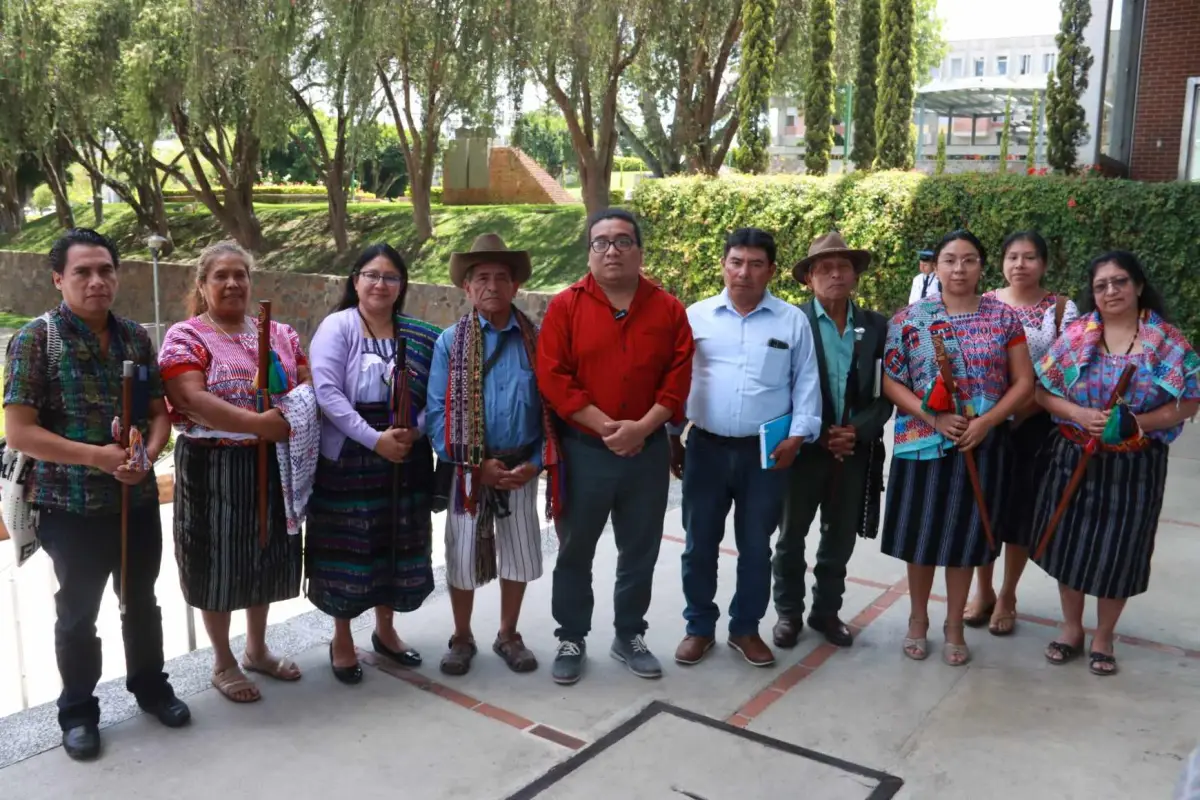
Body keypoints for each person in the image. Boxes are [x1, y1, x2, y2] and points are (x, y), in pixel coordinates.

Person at [3, 229, 190, 761]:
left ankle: (151, 688)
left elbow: (159, 415)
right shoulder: (37, 340)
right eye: (82, 272)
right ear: (59, 279)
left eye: (105, 270)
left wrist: (145, 457)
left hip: (135, 501)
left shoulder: (134, 337)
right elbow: (20, 432)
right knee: (78, 613)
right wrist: (96, 457)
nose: (96, 281)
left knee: (142, 603)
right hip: (71, 507)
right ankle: (79, 712)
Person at [537, 207, 694, 685]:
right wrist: (610, 428)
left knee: (639, 550)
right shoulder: (565, 306)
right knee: (574, 550)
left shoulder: (668, 309)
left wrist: (642, 429)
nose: (611, 250)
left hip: (645, 455)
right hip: (584, 453)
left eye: (622, 241)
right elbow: (554, 378)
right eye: (601, 242)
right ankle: (571, 635)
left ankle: (629, 634)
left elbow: (678, 379)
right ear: (589, 251)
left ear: (639, 251)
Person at [1031, 251, 1198, 676]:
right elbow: (1041, 392)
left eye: (1120, 282)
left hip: (1134, 464)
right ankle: (1071, 628)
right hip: (1074, 455)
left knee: (1120, 550)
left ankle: (1104, 635)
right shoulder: (1075, 335)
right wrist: (1078, 414)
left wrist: (1137, 422)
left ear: (1138, 286)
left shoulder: (1167, 343)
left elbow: (1191, 398)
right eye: (1101, 285)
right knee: (1067, 542)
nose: (1110, 291)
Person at [158, 241, 309, 702]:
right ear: (202, 286)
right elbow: (190, 398)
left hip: (272, 462)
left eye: (240, 274)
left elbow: (304, 384)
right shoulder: (186, 336)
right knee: (217, 559)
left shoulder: (279, 333)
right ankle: (222, 660)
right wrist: (258, 425)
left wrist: (285, 419)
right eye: (220, 275)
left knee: (261, 550)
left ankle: (257, 648)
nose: (232, 283)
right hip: (213, 466)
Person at [668, 228, 822, 669]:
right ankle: (698, 627)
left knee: (756, 545)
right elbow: (678, 380)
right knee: (699, 544)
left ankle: (745, 628)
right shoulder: (696, 317)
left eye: (756, 264)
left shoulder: (791, 321)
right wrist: (670, 437)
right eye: (736, 262)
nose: (744, 272)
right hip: (705, 448)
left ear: (771, 271)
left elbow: (806, 383)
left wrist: (798, 435)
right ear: (724, 265)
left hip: (767, 453)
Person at [880, 230, 1034, 667]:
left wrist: (986, 422)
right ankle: (917, 620)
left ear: (981, 265)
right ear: (936, 266)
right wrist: (933, 417)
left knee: (965, 535)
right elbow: (891, 380)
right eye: (950, 260)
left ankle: (952, 624)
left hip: (983, 443)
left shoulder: (1004, 318)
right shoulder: (910, 319)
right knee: (921, 534)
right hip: (924, 443)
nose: (959, 269)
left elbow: (1024, 382)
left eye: (968, 260)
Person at [426, 234, 564, 676]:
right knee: (462, 555)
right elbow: (436, 412)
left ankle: (508, 634)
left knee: (520, 552)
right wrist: (472, 463)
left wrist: (537, 463)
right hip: (469, 473)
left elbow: (554, 408)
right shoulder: (451, 343)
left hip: (521, 467)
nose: (492, 286)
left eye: (501, 277)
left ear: (516, 286)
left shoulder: (537, 341)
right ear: (466, 288)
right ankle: (461, 636)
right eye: (481, 278)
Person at [305, 244, 441, 684]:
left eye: (391, 277)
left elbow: (435, 395)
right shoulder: (338, 327)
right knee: (349, 546)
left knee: (398, 541)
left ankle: (386, 631)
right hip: (350, 456)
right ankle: (342, 637)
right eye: (372, 275)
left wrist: (413, 432)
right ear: (355, 280)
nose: (381, 284)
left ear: (402, 286)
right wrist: (374, 438)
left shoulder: (419, 334)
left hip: (405, 451)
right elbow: (327, 394)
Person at [771, 232, 894, 650]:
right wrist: (818, 431)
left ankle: (826, 612)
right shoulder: (791, 322)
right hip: (803, 450)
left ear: (855, 276)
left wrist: (856, 431)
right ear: (808, 278)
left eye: (844, 267)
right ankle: (788, 613)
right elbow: (778, 388)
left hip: (854, 452)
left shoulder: (876, 326)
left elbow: (885, 395)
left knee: (838, 537)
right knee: (791, 537)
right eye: (824, 268)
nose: (835, 275)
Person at [963, 231, 1078, 636]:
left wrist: (1022, 407)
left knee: (1020, 511)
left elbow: (1068, 370)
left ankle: (1008, 594)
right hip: (986, 421)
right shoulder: (985, 303)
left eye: (1030, 257)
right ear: (1001, 263)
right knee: (983, 505)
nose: (1020, 265)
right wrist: (995, 413)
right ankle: (983, 590)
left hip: (1036, 425)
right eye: (1012, 256)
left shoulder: (1063, 309)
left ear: (1044, 264)